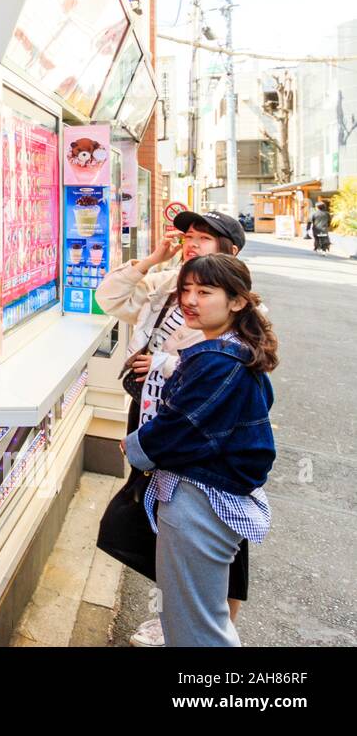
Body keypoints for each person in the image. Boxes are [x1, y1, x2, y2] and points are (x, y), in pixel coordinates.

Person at [95, 210, 249, 647]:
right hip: (152, 410)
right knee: (163, 521)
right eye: (189, 237)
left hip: (189, 428)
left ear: (231, 254)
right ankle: (182, 619)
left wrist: (162, 363)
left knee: (207, 525)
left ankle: (211, 624)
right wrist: (149, 260)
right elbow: (109, 299)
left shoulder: (232, 303)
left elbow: (224, 362)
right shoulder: (170, 284)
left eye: (205, 239)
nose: (191, 245)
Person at [123, 254, 277, 647]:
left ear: (237, 301)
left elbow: (178, 428)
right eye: (186, 290)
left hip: (198, 502)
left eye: (205, 292)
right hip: (210, 498)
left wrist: (132, 447)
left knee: (195, 627)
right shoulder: (233, 348)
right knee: (198, 618)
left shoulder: (218, 359)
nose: (190, 300)